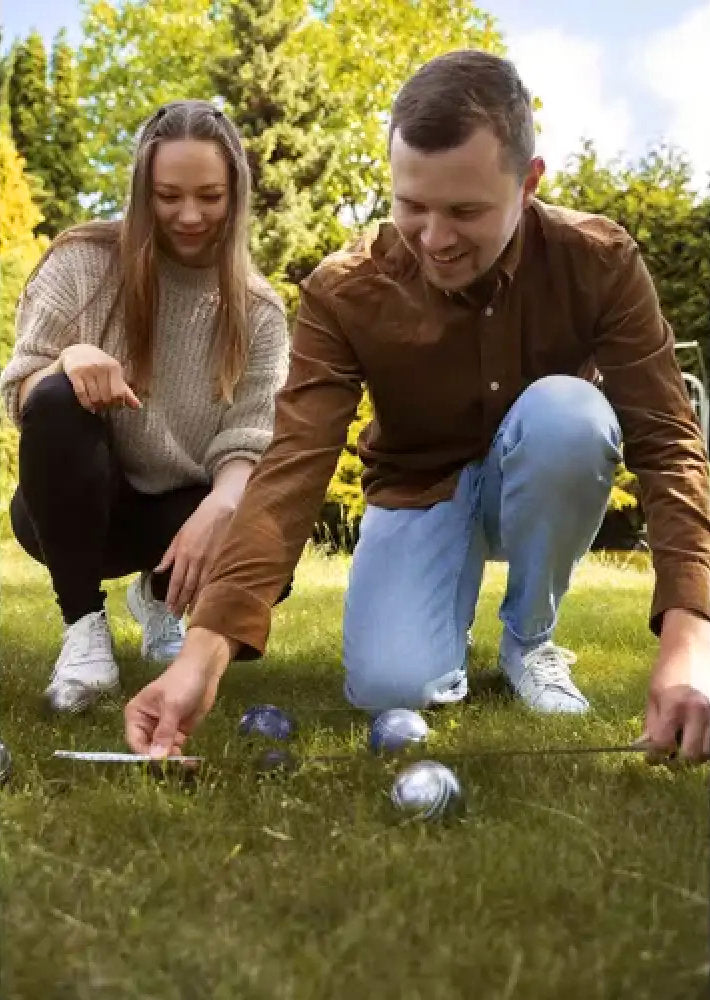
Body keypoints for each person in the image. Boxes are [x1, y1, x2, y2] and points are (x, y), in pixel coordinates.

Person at [125, 51, 710, 763]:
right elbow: (291, 469)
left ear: (528, 184)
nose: (435, 239)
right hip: (418, 490)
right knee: (390, 682)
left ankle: (530, 640)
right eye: (412, 206)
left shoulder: (599, 260)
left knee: (571, 413)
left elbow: (668, 442)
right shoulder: (345, 290)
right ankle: (438, 622)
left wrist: (689, 646)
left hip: (543, 473)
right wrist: (202, 657)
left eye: (466, 211)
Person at [0, 100, 290, 714]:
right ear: (142, 189)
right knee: (56, 395)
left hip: (180, 513)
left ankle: (161, 599)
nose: (190, 216)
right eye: (168, 196)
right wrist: (70, 358)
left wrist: (224, 504)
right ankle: (83, 629)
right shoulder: (81, 261)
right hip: (82, 509)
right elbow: (21, 392)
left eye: (210, 197)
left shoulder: (259, 311)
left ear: (235, 194)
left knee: (269, 542)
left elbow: (251, 435)